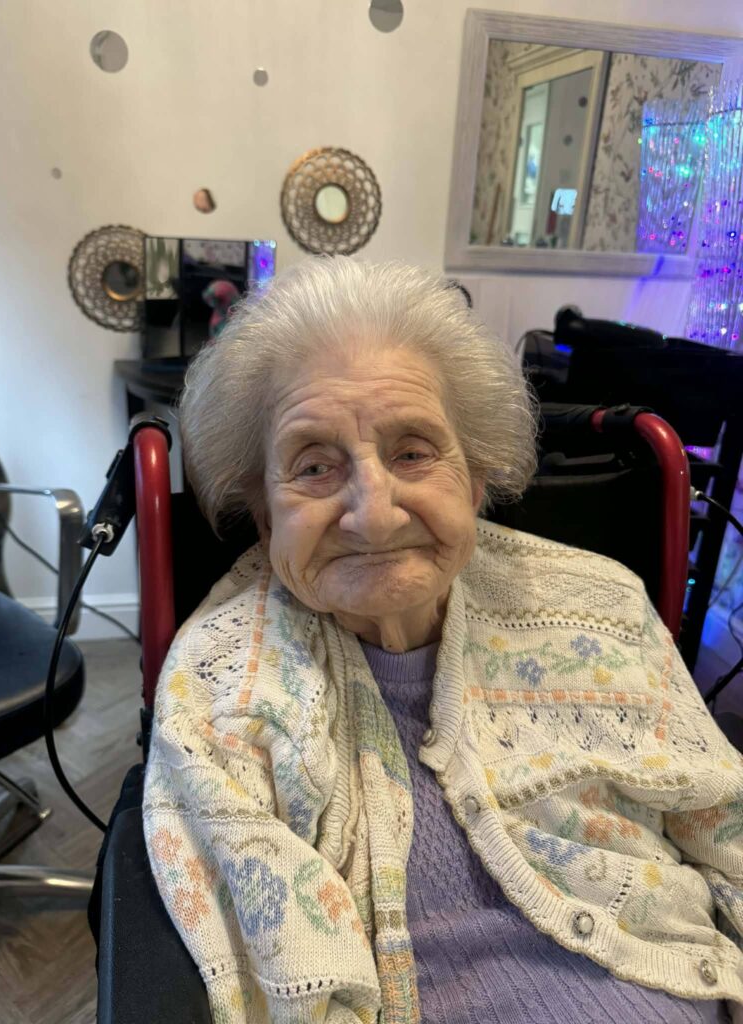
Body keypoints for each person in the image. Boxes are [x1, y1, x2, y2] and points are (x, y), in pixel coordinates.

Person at [144, 257, 743, 1024]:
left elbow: (724, 827)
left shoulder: (604, 606)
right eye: (315, 467)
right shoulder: (220, 682)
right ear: (264, 515)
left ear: (476, 478)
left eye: (413, 452)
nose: (375, 514)